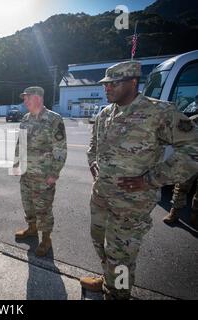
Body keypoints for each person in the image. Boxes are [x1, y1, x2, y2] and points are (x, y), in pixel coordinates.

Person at [81, 61, 198, 299]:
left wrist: (152, 179)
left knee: (121, 255)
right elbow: (94, 144)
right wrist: (93, 161)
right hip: (101, 195)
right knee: (100, 242)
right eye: (106, 84)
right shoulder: (105, 114)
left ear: (133, 82)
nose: (107, 88)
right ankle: (108, 280)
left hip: (132, 203)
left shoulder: (159, 112)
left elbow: (193, 149)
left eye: (114, 83)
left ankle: (118, 294)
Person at [13, 86, 67, 257]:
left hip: (44, 176)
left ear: (38, 98)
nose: (25, 101)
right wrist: (16, 164)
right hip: (26, 174)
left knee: (43, 209)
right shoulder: (25, 118)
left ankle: (46, 239)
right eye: (24, 98)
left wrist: (54, 173)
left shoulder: (53, 119)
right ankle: (32, 228)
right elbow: (19, 144)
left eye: (27, 97)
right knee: (28, 204)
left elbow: (60, 149)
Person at [163, 114, 198, 229]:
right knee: (181, 187)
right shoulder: (193, 120)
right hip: (191, 159)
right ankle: (174, 213)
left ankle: (195, 216)